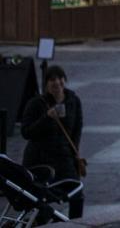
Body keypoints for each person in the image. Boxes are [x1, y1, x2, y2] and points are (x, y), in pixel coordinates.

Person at [21, 65, 84, 219]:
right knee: (42, 200)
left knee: (77, 195)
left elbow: (77, 130)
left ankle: (75, 224)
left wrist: (75, 154)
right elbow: (26, 132)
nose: (57, 83)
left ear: (65, 80)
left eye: (60, 78)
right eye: (52, 79)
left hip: (64, 158)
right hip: (41, 160)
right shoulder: (37, 103)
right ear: (46, 83)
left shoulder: (73, 101)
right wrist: (46, 118)